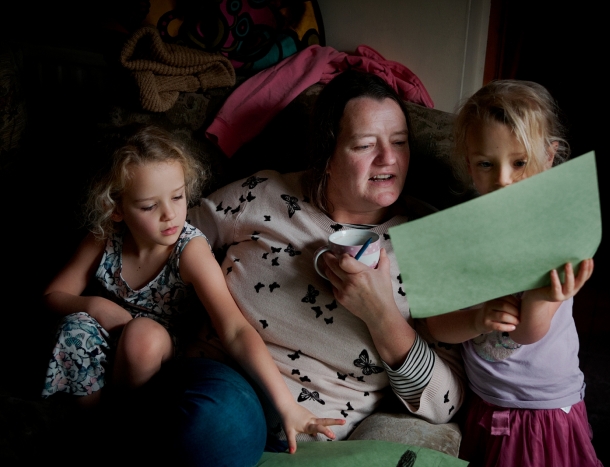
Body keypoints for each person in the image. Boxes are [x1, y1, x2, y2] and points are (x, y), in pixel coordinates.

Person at [175, 69, 466, 458]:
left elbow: (446, 401)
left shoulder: (429, 244)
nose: (389, 158)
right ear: (326, 155)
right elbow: (168, 233)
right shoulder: (264, 195)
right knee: (220, 424)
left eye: (399, 142)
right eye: (365, 145)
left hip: (320, 433)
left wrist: (380, 315)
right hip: (225, 386)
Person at [40, 125, 342, 461]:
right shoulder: (106, 236)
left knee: (143, 335)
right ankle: (93, 430)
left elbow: (235, 329)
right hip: (109, 344)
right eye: (147, 206)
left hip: (163, 357)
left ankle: (125, 434)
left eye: (177, 196)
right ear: (117, 208)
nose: (169, 214)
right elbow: (53, 295)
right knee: (75, 327)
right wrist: (95, 305)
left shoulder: (189, 249)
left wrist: (287, 406)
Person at [425, 80, 601, 467]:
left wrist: (543, 298)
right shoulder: (457, 233)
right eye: (487, 164)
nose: (503, 179)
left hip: (540, 410)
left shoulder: (556, 234)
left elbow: (527, 333)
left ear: (550, 158)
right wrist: (475, 318)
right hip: (484, 401)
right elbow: (432, 325)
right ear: (470, 165)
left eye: (519, 162)